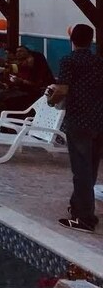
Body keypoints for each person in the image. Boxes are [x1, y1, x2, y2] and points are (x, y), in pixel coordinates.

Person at [48, 24, 103, 233]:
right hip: (98, 120)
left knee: (81, 169)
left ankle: (85, 218)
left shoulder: (69, 60)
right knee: (91, 167)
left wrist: (51, 100)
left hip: (79, 120)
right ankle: (78, 205)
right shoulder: (99, 62)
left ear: (72, 39)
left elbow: (62, 90)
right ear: (91, 40)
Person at [0, 46, 55, 115]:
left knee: (4, 100)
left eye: (28, 59)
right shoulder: (23, 68)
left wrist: (21, 81)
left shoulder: (40, 71)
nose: (26, 62)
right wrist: (7, 85)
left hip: (37, 94)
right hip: (24, 91)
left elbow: (36, 85)